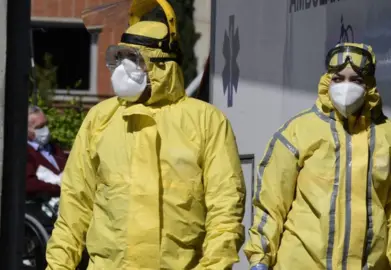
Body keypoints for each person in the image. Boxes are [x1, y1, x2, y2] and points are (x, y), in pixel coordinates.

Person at [45, 1, 246, 269]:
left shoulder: (206, 122)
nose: (123, 69)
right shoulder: (101, 118)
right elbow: (74, 207)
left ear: (163, 66)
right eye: (121, 57)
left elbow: (225, 209)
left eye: (136, 59)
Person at [244, 43, 391, 270]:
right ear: (327, 79)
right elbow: (271, 204)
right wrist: (260, 257)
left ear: (369, 84)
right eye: (338, 78)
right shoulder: (296, 133)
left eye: (356, 80)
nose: (346, 87)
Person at [26, 105, 66, 199]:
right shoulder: (25, 152)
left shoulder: (54, 147)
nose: (45, 130)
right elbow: (29, 184)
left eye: (46, 124)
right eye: (40, 127)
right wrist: (58, 187)